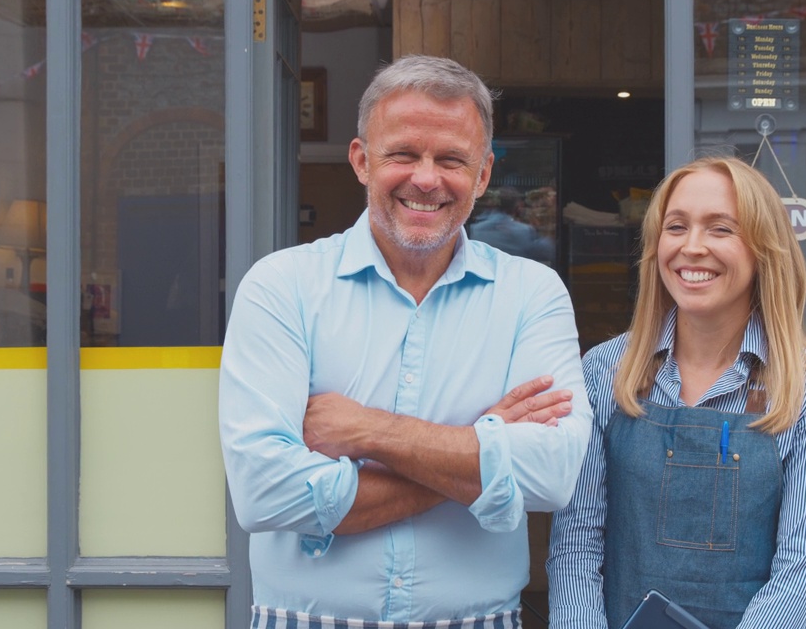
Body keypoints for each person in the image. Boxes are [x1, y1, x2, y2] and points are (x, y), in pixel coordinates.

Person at [219, 55, 592, 628]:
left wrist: (370, 432)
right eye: (402, 154)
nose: (426, 178)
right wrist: (477, 450)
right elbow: (264, 492)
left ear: (485, 173)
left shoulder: (532, 294)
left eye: (451, 159)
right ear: (361, 160)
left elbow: (552, 473)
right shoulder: (281, 287)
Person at [547, 156, 806, 629]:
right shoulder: (605, 371)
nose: (692, 247)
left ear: (763, 249)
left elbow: (801, 570)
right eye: (676, 226)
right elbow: (576, 548)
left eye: (720, 229)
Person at [470, 186, 556, 263]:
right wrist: (549, 225)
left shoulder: (474, 229)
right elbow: (549, 252)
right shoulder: (524, 231)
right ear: (518, 206)